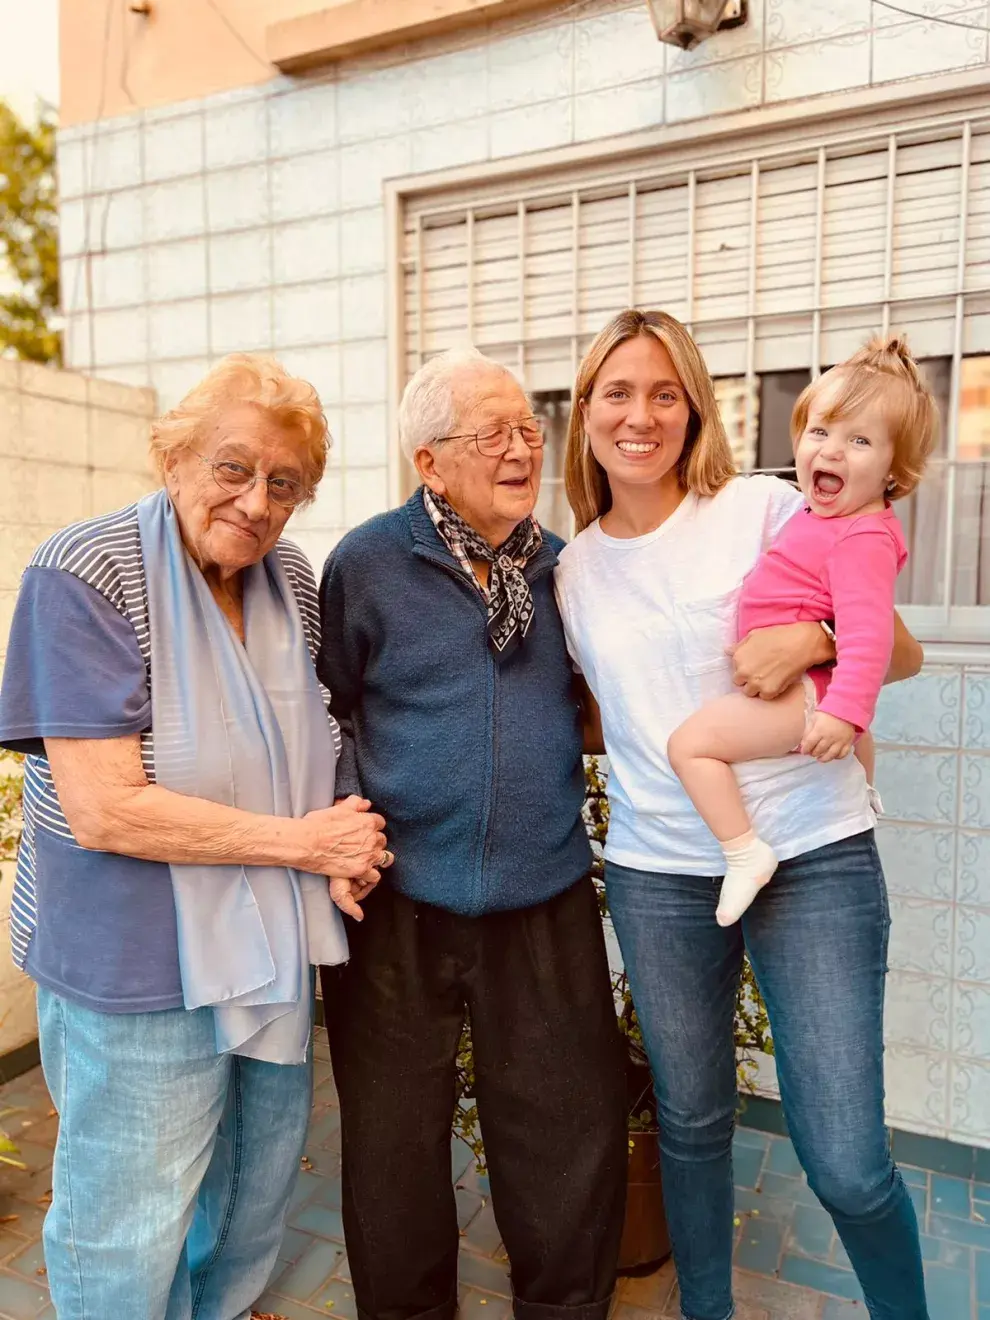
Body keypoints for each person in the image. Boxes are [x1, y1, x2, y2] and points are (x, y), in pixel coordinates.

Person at [554, 309, 929, 1320]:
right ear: (585, 412)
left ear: (694, 410)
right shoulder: (572, 571)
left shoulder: (765, 506)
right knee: (690, 1124)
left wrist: (814, 639)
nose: (640, 416)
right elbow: (607, 715)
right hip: (661, 872)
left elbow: (897, 653)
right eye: (618, 393)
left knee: (847, 1160)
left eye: (664, 394)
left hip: (811, 853)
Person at [0, 354, 389, 1320]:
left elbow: (321, 730)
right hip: (134, 961)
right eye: (233, 467)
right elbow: (105, 809)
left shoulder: (290, 578)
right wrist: (307, 847)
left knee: (253, 1189)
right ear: (172, 456)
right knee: (128, 1223)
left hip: (270, 942)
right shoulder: (85, 571)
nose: (257, 502)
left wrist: (346, 840)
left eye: (285, 484)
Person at [317, 347, 627, 1320]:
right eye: (491, 433)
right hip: (398, 896)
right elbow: (333, 709)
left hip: (544, 891)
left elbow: (596, 700)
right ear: (430, 461)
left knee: (564, 1128)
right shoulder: (368, 563)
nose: (521, 449)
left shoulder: (564, 568)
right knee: (392, 1139)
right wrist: (346, 829)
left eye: (528, 429)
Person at [667, 335, 937, 926]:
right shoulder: (822, 516)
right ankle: (862, 790)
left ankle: (744, 853)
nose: (832, 450)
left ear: (895, 470)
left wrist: (843, 714)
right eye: (820, 431)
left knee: (689, 746)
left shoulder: (863, 537)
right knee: (847, 751)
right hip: (807, 692)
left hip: (807, 696)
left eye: (860, 441)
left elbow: (868, 636)